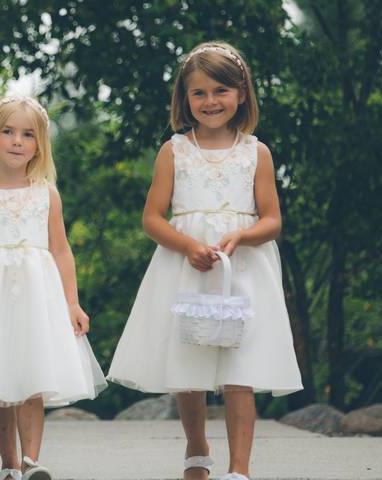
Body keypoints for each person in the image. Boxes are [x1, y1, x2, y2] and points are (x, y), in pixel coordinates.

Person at [107, 42, 303, 480]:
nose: (211, 101)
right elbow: (152, 218)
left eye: (221, 91)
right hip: (188, 265)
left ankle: (240, 469)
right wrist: (186, 245)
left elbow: (272, 220)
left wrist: (243, 234)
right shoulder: (174, 151)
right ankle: (197, 450)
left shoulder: (257, 152)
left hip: (243, 270)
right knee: (189, 365)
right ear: (185, 99)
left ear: (241, 95)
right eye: (199, 93)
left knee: (241, 368)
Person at [0, 95, 106, 480]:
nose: (16, 141)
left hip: (36, 300)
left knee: (33, 378)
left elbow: (61, 251)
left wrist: (72, 304)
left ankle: (31, 461)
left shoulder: (47, 194)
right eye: (8, 132)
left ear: (39, 145)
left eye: (27, 134)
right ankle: (8, 464)